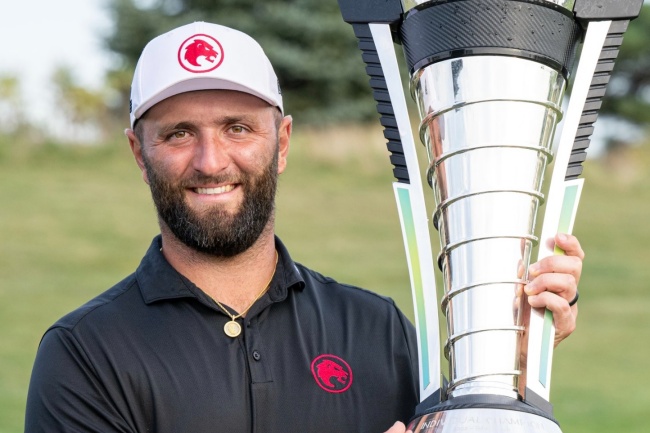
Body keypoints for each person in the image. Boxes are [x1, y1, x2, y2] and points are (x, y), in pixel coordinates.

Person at [25, 22, 584, 433]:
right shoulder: (86, 354)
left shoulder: (378, 331)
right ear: (139, 153)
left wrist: (510, 356)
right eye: (178, 134)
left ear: (283, 142)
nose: (211, 161)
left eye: (238, 128)